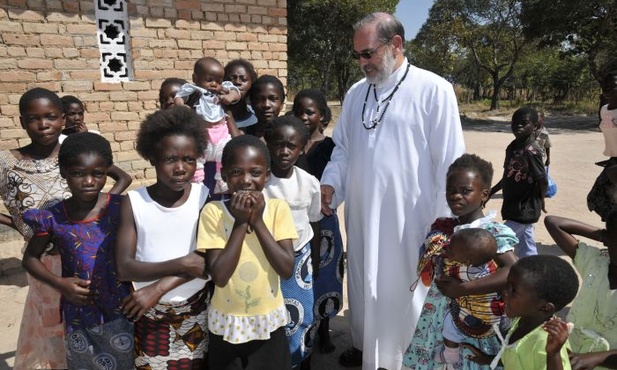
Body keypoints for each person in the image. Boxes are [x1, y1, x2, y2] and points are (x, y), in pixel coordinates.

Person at [320, 12, 466, 369]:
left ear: (396, 44)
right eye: (357, 55)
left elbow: (450, 161)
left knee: (401, 290)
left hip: (410, 221)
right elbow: (343, 148)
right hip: (362, 215)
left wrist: (443, 224)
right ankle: (365, 347)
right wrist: (330, 185)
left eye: (367, 53)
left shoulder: (434, 89)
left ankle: (399, 359)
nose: (362, 62)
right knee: (363, 282)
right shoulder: (356, 94)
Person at [21, 132, 134, 369]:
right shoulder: (52, 216)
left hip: (123, 309)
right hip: (80, 313)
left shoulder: (123, 207)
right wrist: (59, 283)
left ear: (107, 172)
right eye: (78, 174)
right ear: (64, 172)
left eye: (98, 174)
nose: (89, 181)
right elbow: (30, 258)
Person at [115, 106, 212, 369]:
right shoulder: (134, 202)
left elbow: (206, 263)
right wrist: (182, 263)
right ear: (152, 158)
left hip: (197, 310)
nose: (181, 168)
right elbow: (125, 268)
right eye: (170, 159)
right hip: (149, 313)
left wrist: (157, 288)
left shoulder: (203, 198)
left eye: (189, 159)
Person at [403, 153, 518, 370]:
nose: (456, 196)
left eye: (466, 191)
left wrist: (465, 288)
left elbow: (513, 269)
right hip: (438, 314)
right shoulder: (445, 229)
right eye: (451, 191)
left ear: (484, 194)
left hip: (475, 319)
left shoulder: (492, 232)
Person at [196, 135, 296, 369]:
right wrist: (241, 224)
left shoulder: (278, 210)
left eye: (255, 172)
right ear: (224, 176)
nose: (246, 180)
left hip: (268, 323)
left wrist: (258, 222)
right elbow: (219, 276)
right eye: (237, 172)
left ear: (267, 176)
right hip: (227, 323)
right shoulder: (213, 212)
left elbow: (286, 269)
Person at [0, 87, 72, 369]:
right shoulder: (7, 162)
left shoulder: (74, 154)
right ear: (21, 122)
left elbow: (115, 177)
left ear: (63, 119)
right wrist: (18, 225)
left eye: (51, 117)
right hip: (40, 260)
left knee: (78, 319)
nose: (43, 125)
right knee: (50, 319)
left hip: (82, 255)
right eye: (33, 118)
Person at [263, 116, 322, 368]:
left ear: (302, 147)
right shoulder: (260, 181)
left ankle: (301, 360)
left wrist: (315, 260)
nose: (284, 151)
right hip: (266, 258)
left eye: (291, 145)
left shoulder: (308, 183)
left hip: (300, 258)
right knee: (270, 315)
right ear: (267, 144)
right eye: (278, 144)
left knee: (301, 315)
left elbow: (314, 222)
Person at [292, 88, 344, 354]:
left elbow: (339, 180)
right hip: (295, 223)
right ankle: (304, 330)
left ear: (322, 116)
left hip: (324, 224)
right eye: (298, 111)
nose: (303, 116)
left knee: (325, 276)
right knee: (301, 276)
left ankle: (324, 330)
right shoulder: (289, 144)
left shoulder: (331, 147)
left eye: (309, 112)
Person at [463, 255, 578, 370]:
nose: (504, 292)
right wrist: (488, 359)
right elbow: (519, 358)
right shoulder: (521, 320)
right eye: (507, 284)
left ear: (545, 308)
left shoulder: (547, 343)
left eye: (513, 290)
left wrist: (553, 355)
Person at [544, 212, 617, 370]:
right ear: (608, 241)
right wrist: (603, 234)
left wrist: (598, 358)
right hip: (569, 356)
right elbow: (553, 222)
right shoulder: (595, 262)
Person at [174, 56, 242, 199]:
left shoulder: (223, 89)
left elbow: (236, 93)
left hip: (221, 132)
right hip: (202, 133)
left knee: (225, 155)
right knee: (197, 157)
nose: (214, 84)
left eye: (218, 80)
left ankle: (222, 181)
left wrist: (230, 97)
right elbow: (178, 97)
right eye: (209, 79)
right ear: (195, 78)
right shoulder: (193, 89)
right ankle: (198, 182)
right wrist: (182, 105)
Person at [489, 106, 547, 258]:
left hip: (525, 207)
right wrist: (491, 192)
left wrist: (542, 200)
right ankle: (532, 267)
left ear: (535, 126)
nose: (518, 126)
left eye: (524, 123)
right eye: (515, 122)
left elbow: (542, 179)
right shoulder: (512, 148)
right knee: (526, 244)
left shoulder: (531, 151)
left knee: (499, 239)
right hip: (512, 203)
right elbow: (508, 174)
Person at [59, 95, 132, 190]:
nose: (77, 118)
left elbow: (123, 177)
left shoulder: (93, 136)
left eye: (80, 114)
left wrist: (107, 199)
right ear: (63, 116)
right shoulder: (59, 141)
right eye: (72, 114)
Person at [588, 70, 617, 221]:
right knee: (596, 197)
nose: (608, 88)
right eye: (606, 85)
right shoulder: (605, 109)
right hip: (613, 160)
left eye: (614, 86)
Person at [245, 75, 286, 140]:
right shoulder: (243, 135)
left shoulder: (291, 135)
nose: (266, 105)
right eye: (260, 99)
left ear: (282, 104)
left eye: (273, 99)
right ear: (252, 103)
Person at [225, 59, 258, 129]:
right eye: (232, 78)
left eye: (243, 79)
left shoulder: (256, 118)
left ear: (252, 84)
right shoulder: (213, 114)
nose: (237, 82)